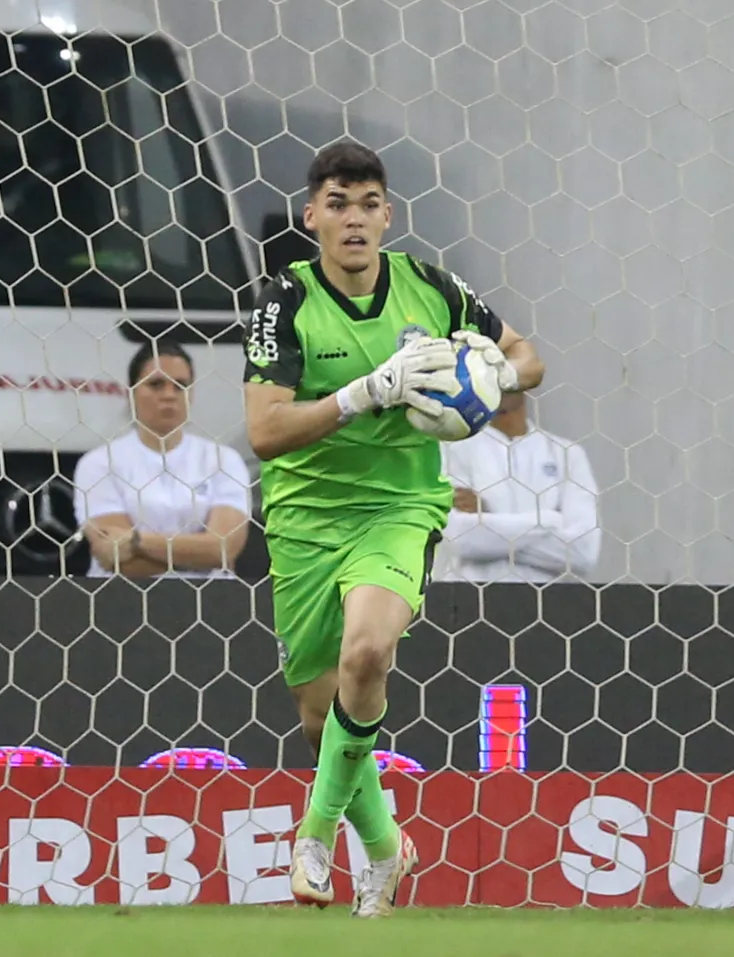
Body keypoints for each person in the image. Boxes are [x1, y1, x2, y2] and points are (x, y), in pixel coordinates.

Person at [242, 141, 544, 917]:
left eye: (368, 203)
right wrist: (365, 392)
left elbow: (527, 355)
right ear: (311, 215)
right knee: (321, 716)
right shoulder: (282, 303)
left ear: (388, 215)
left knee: (368, 651)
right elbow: (266, 432)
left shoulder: (429, 288)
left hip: (400, 508)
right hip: (306, 519)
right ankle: (386, 848)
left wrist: (495, 377)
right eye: (338, 204)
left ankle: (314, 832)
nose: (354, 219)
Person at [74, 340, 251, 578]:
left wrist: (136, 541)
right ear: (131, 392)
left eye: (180, 385)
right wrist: (200, 556)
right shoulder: (98, 464)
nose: (169, 394)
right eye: (156, 384)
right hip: (122, 599)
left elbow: (224, 548)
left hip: (210, 602)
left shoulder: (224, 461)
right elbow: (117, 561)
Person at [438, 391, 601, 582]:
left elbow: (583, 554)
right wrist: (549, 521)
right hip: (468, 599)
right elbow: (459, 538)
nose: (503, 375)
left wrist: (488, 521)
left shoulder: (567, 454)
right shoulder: (450, 448)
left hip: (546, 603)